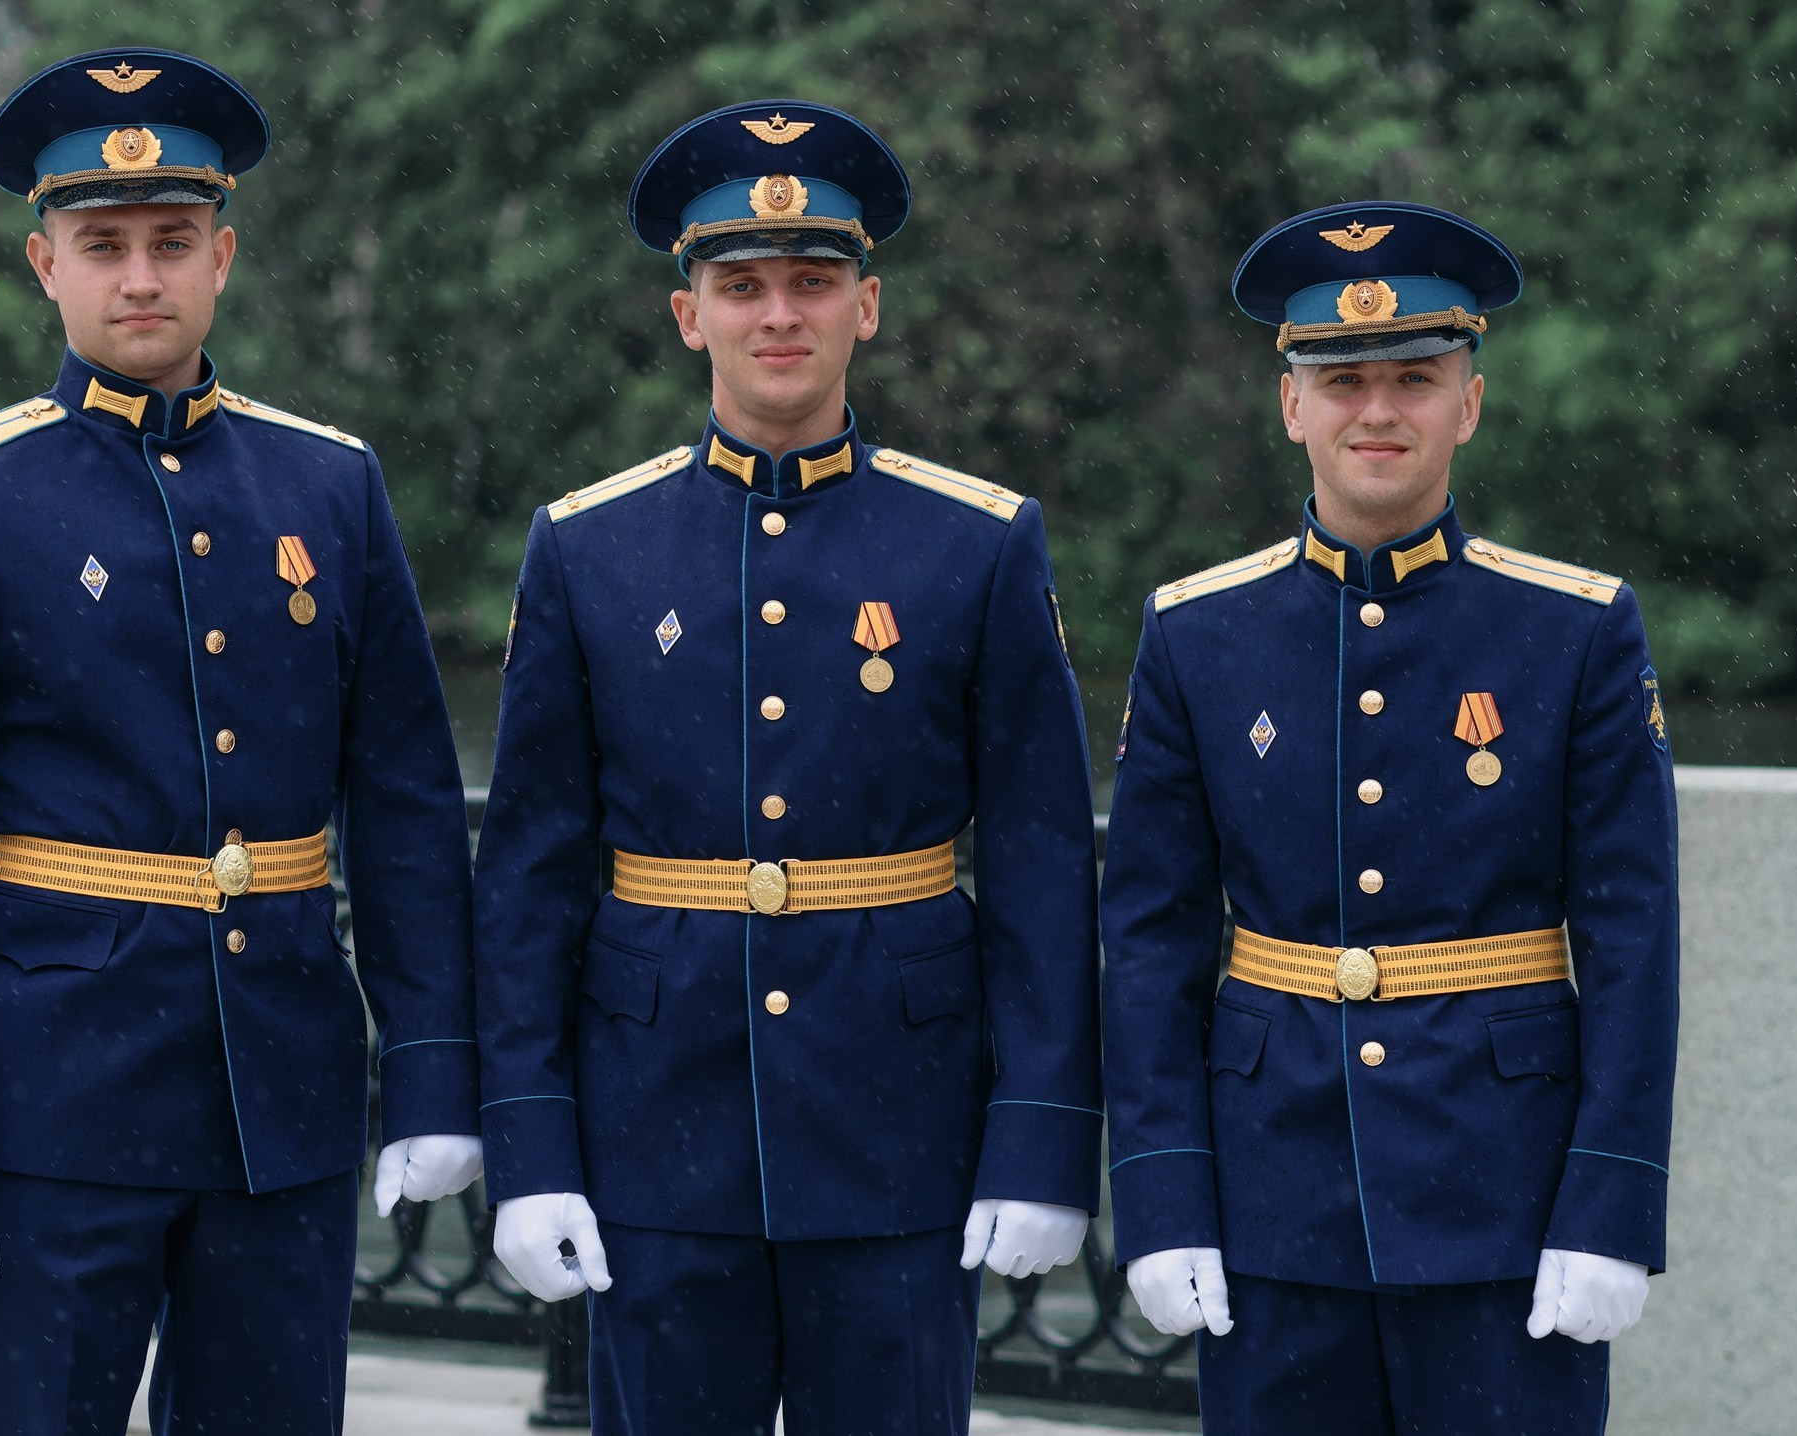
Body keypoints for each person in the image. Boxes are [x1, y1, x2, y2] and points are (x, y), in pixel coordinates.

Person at [0, 47, 481, 1435]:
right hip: (53, 1095)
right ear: (42, 264)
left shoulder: (332, 484)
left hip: (283, 1086)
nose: (140, 277)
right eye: (103, 244)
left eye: (172, 243)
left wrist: (432, 1067)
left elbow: (407, 803)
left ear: (224, 257)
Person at [472, 100, 1102, 1435]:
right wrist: (528, 1148)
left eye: (812, 283)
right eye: (740, 285)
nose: (778, 314)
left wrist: (1041, 1134)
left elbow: (1044, 861)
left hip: (899, 1120)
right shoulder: (589, 549)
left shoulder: (977, 544)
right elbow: (530, 873)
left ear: (866, 306)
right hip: (657, 1122)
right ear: (686, 315)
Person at [1100, 201, 1678, 1432]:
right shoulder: (1197, 633)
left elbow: (1631, 938)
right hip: (1270, 1195)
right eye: (1342, 378)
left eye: (1414, 378)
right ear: (1289, 404)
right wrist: (1158, 1196)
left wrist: (1610, 1204)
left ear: (1466, 403)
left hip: (1504, 1199)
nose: (1377, 410)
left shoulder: (1573, 630)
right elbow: (1150, 939)